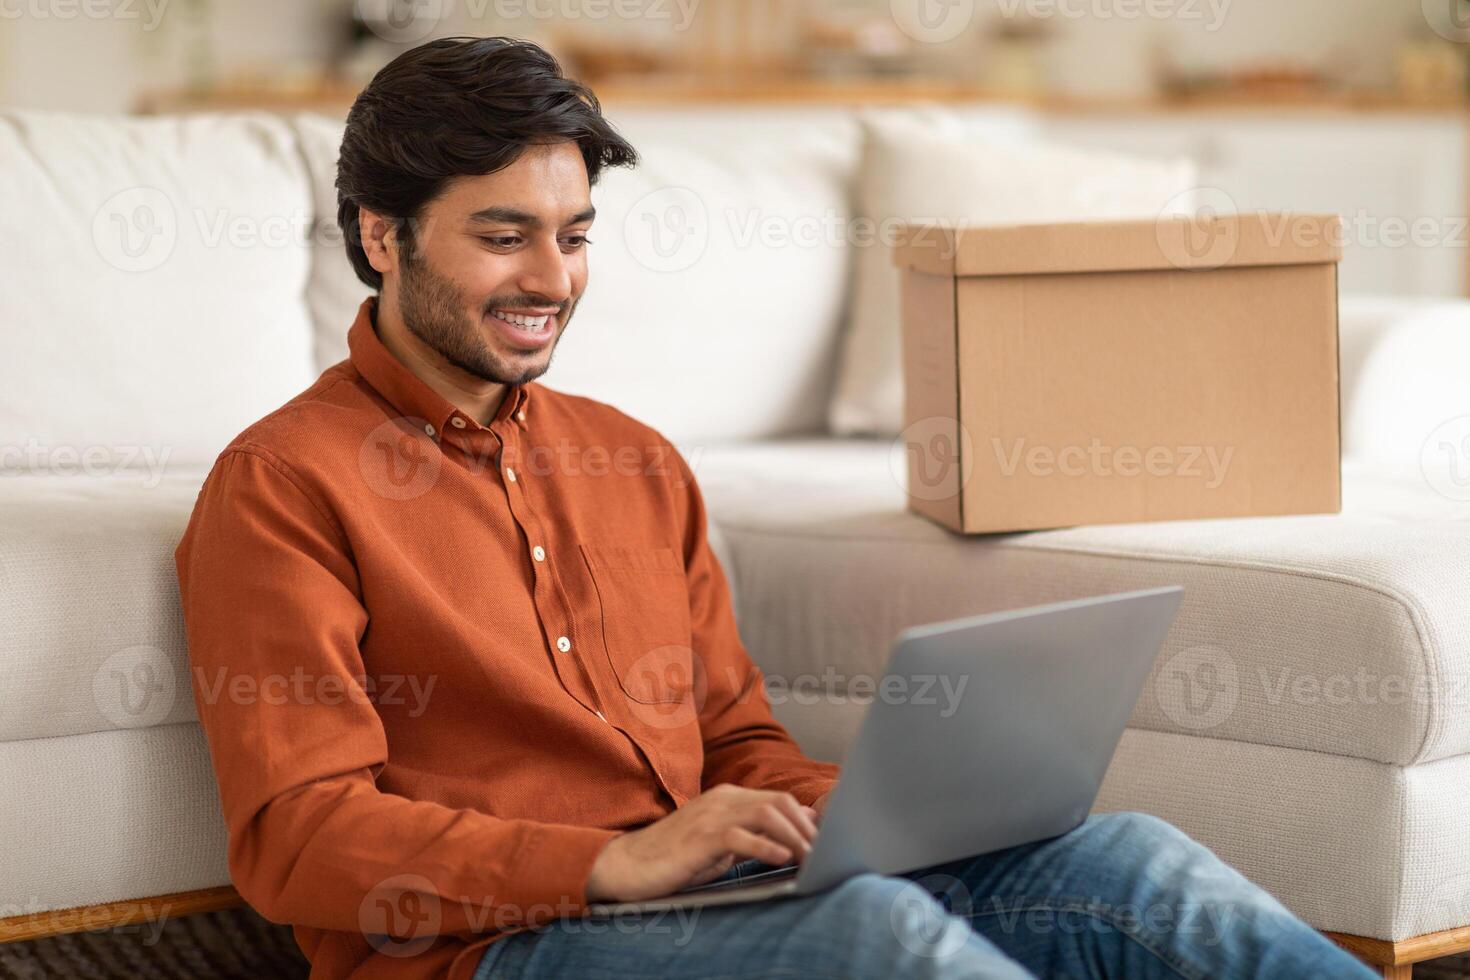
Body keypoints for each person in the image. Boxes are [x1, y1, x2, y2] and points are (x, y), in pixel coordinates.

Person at [174, 36, 1376, 980]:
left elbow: (735, 738)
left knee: (1128, 859)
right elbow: (302, 836)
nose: (552, 279)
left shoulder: (635, 461)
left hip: (720, 892)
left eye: (575, 236)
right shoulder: (283, 485)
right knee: (879, 942)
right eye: (504, 237)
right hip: (502, 948)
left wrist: (876, 815)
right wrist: (611, 862)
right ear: (383, 237)